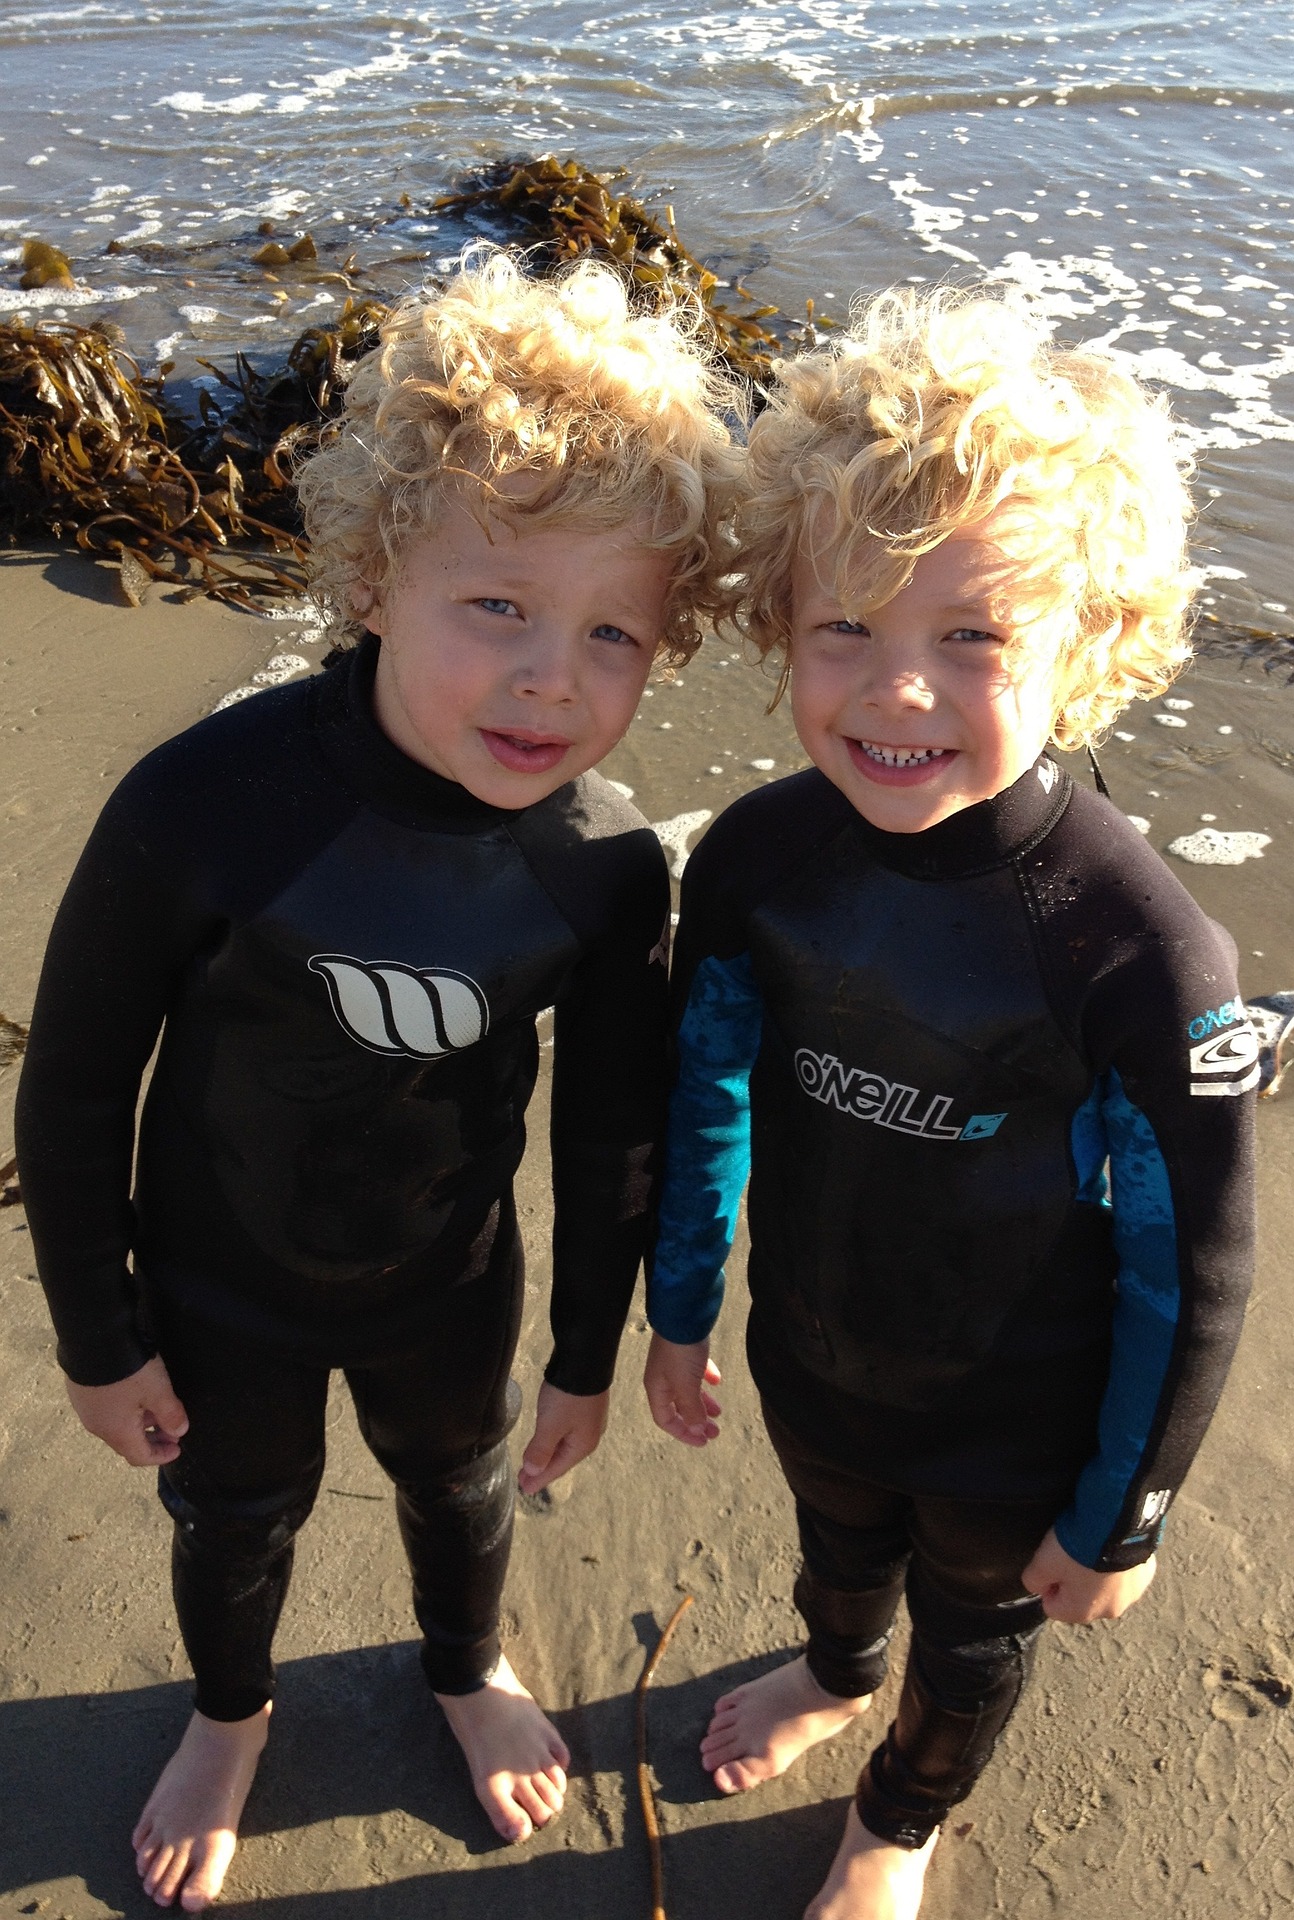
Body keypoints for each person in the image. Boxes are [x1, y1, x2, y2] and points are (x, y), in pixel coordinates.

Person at [15, 249, 739, 1912]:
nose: (553, 675)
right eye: (499, 606)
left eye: (614, 631)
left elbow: (611, 1133)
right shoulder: (205, 803)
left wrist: (582, 1354)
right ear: (371, 576)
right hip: (220, 1280)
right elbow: (74, 1088)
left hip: (447, 1281)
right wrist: (98, 1335)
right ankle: (229, 1711)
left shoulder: (604, 867)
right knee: (233, 1515)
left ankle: (464, 1666)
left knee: (460, 1482)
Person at [642, 286, 1256, 1920]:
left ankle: (897, 1820)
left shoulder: (1136, 948)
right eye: (842, 627)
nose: (894, 691)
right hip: (811, 1348)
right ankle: (835, 1669)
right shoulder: (759, 861)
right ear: (778, 617)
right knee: (835, 1545)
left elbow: (1191, 1267)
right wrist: (681, 1308)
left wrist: (1123, 1512)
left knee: (973, 1635)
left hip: (1013, 1415)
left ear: (1089, 641)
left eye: (971, 638)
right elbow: (705, 1085)